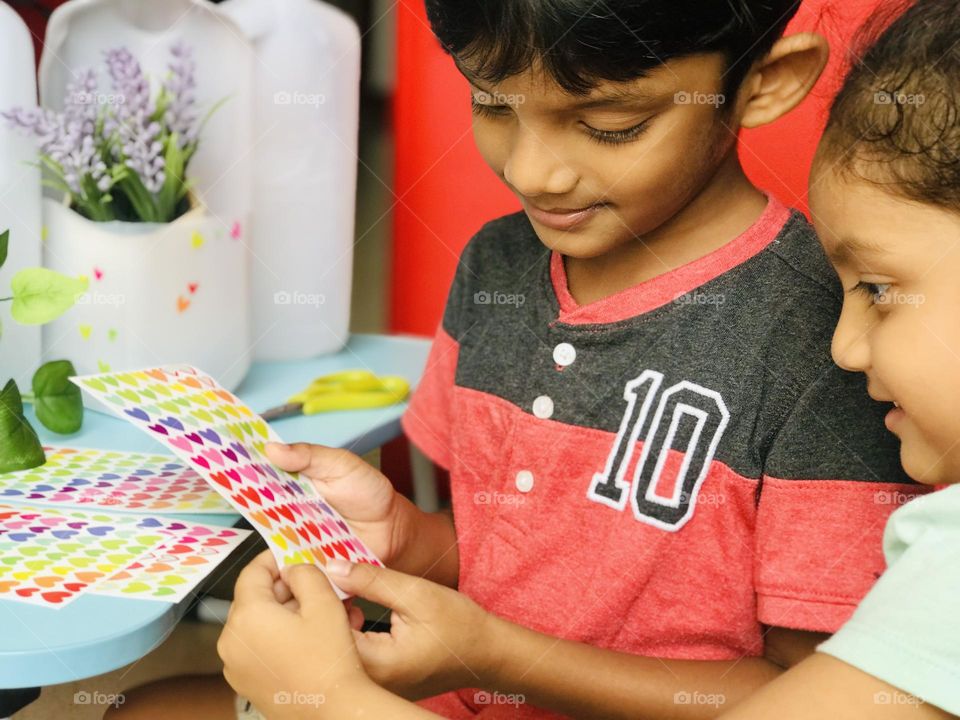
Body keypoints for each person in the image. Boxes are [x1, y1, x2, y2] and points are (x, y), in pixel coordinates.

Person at [114, 1, 923, 718]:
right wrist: (406, 538)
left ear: (764, 83)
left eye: (610, 125)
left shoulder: (831, 333)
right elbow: (507, 558)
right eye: (493, 104)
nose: (533, 174)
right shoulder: (500, 265)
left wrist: (496, 656)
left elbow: (813, 692)